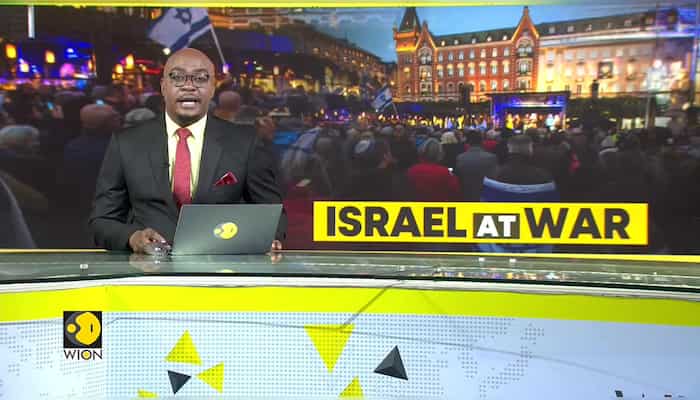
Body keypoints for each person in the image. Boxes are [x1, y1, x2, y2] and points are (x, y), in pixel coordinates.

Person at [89, 48, 286, 254]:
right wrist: (132, 238)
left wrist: (267, 239)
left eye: (200, 78)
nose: (189, 86)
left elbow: (273, 214)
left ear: (213, 88)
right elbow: (102, 220)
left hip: (221, 267)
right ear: (163, 86)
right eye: (177, 77)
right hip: (148, 269)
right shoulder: (127, 143)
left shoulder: (244, 142)